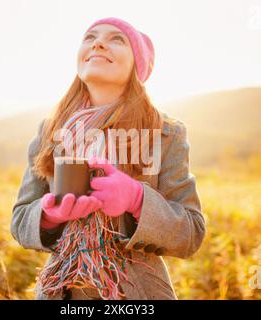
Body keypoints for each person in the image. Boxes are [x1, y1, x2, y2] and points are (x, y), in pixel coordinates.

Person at [11, 17, 206, 300]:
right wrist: (49, 215)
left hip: (137, 294)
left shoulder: (166, 133)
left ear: (137, 65)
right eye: (90, 37)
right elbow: (19, 220)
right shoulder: (50, 130)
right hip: (61, 292)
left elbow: (191, 233)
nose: (98, 43)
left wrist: (137, 199)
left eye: (117, 39)